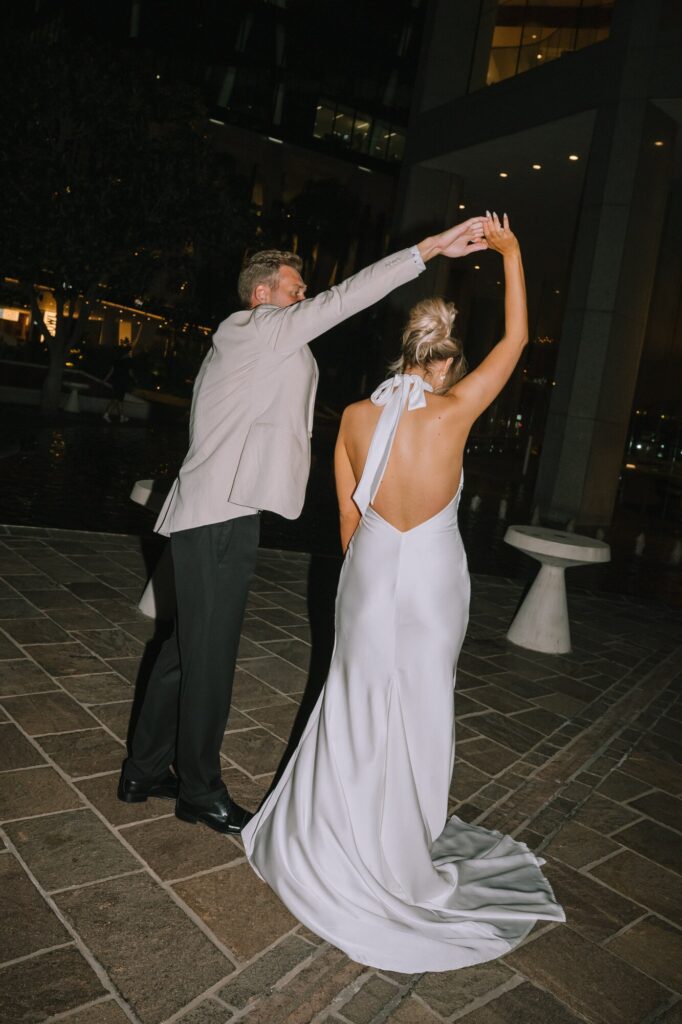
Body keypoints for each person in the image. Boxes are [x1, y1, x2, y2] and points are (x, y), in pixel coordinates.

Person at [242, 213, 565, 973]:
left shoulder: (355, 419)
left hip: (372, 567)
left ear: (406, 355)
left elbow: (347, 519)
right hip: (433, 576)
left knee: (354, 695)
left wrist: (367, 574)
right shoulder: (456, 411)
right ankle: (402, 841)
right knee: (421, 698)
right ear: (446, 364)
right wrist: (513, 252)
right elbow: (518, 339)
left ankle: (334, 831)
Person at [118, 217, 488, 835]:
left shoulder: (258, 345)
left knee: (186, 649)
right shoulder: (257, 327)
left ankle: (143, 770)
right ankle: (199, 791)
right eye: (295, 289)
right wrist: (429, 250)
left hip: (214, 511)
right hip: (219, 517)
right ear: (263, 293)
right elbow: (346, 298)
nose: (305, 297)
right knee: (210, 659)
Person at [103, 343, 133, 422]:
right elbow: (130, 373)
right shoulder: (128, 361)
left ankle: (121, 417)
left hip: (116, 382)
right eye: (130, 352)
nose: (130, 354)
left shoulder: (116, 360)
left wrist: (105, 379)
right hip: (122, 382)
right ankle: (107, 414)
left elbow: (111, 371)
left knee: (119, 400)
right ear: (127, 353)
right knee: (117, 399)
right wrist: (134, 380)